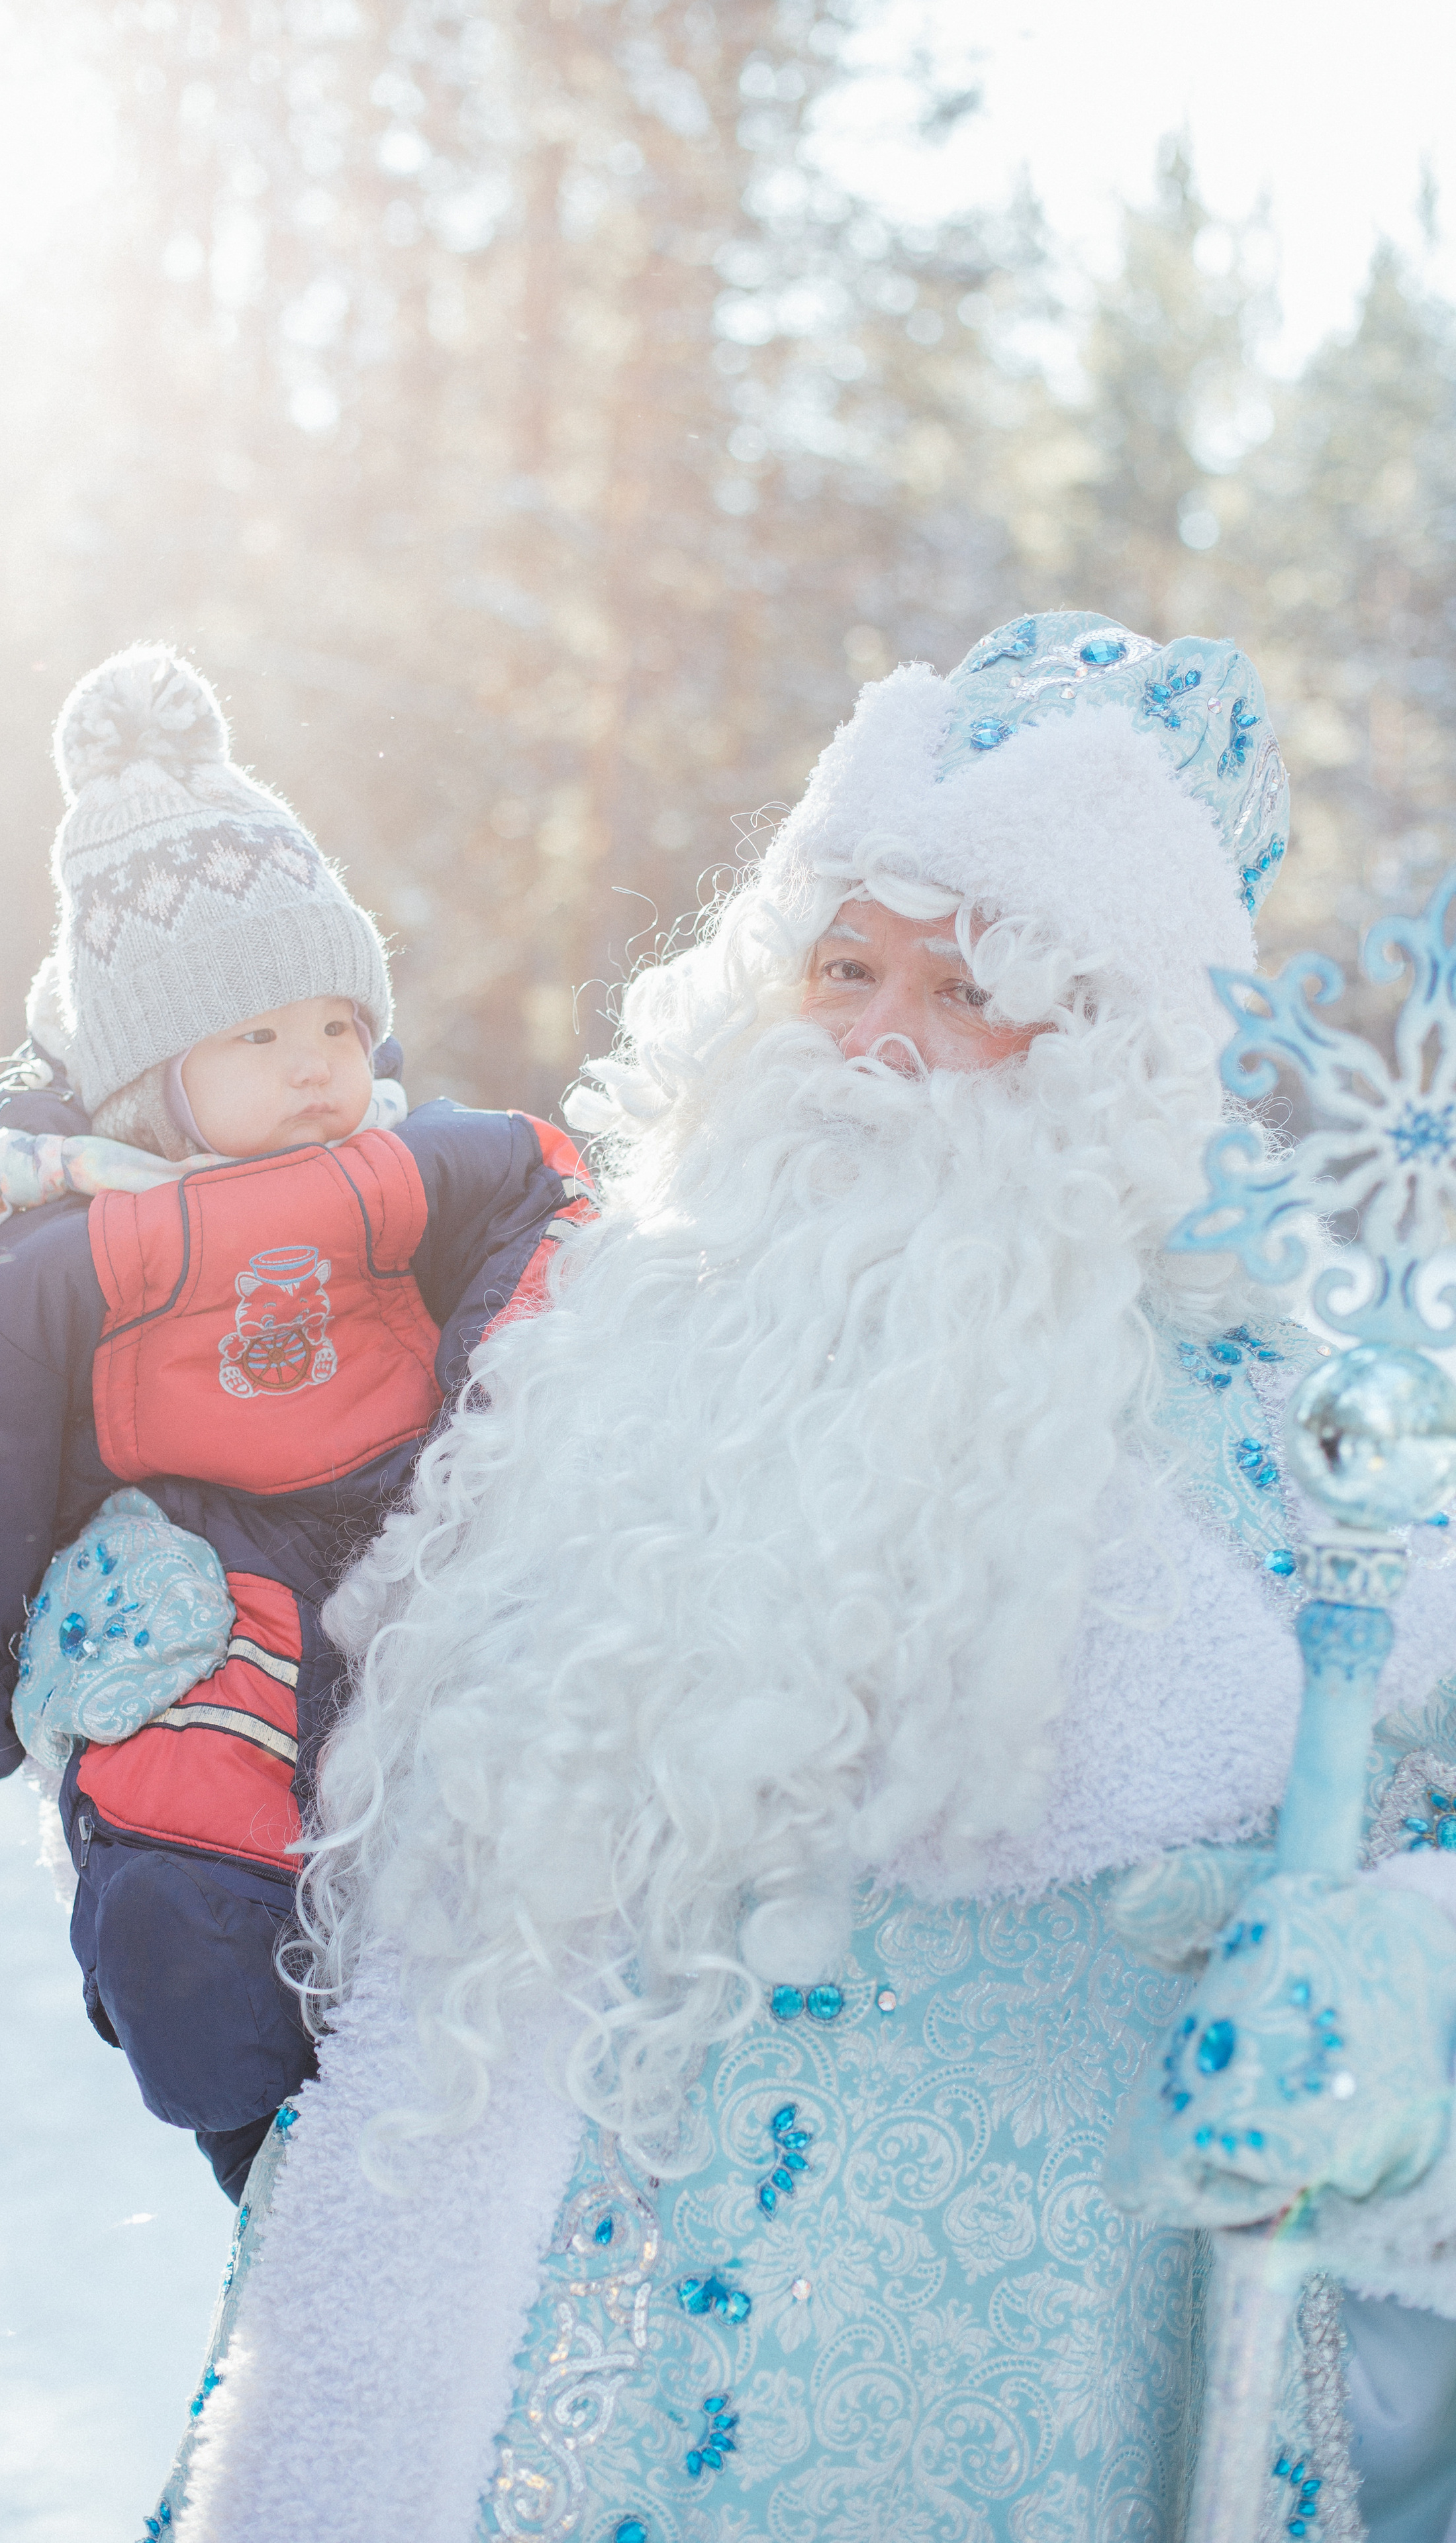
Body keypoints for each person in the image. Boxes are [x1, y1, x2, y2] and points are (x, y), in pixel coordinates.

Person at [155, 613, 1456, 2541]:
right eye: (842, 966)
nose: (874, 1044)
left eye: (972, 989)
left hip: (982, 2440)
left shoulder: (1293, 1466)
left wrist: (1403, 2014)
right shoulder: (594, 1356)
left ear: (1112, 1057)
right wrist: (158, 1650)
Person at [0, 642, 592, 2202]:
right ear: (148, 1071)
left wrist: (495, 1406)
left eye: (332, 1023)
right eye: (254, 1039)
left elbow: (549, 1186)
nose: (316, 1068)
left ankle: (539, 2074)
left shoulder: (399, 1160)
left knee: (508, 1770)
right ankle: (270, 2153)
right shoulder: (69, 1240)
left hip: (418, 1510)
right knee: (177, 1854)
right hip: (215, 1554)